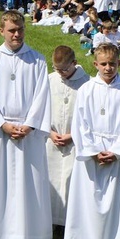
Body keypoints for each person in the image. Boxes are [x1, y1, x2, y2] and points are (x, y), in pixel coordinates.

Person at [0, 11, 52, 239]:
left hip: (28, 131)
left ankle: (30, 234)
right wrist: (3, 124)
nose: (16, 34)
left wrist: (29, 124)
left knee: (29, 182)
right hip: (1, 130)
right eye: (11, 30)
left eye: (20, 30)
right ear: (1, 31)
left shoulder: (37, 60)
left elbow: (42, 95)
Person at [63, 44, 120, 239]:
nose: (108, 68)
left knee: (116, 201)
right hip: (91, 153)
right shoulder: (87, 89)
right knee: (88, 199)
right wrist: (93, 150)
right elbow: (80, 123)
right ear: (95, 64)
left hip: (116, 154)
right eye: (104, 64)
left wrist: (116, 152)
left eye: (112, 64)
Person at [46, 46, 90, 229]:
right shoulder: (49, 80)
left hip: (75, 140)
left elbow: (89, 116)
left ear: (75, 63)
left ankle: (69, 222)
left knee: (71, 179)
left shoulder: (87, 83)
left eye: (65, 69)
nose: (61, 73)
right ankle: (50, 220)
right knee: (52, 178)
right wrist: (49, 132)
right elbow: (41, 108)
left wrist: (73, 135)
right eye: (57, 69)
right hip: (52, 137)